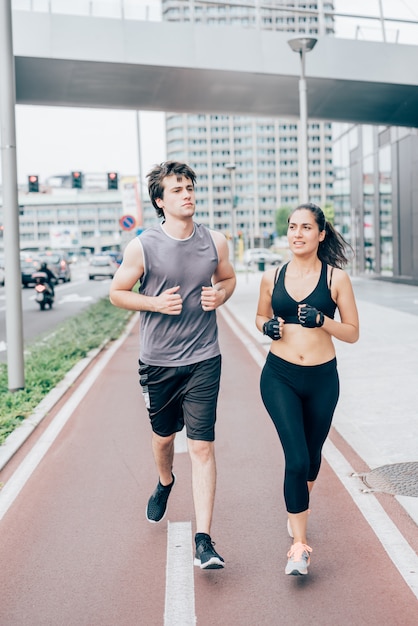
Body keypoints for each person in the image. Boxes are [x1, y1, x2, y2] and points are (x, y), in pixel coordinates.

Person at [109, 161, 236, 570]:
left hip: (204, 358)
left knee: (201, 446)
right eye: (178, 189)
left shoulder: (215, 241)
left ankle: (205, 540)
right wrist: (154, 303)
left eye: (190, 187)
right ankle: (165, 482)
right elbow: (117, 293)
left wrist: (222, 295)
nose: (187, 194)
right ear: (160, 201)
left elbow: (228, 279)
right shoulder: (142, 246)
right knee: (164, 439)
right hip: (159, 362)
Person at [256, 203, 359, 576]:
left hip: (322, 380)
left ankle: (298, 504)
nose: (297, 234)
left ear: (320, 234)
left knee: (313, 458)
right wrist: (267, 327)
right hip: (279, 376)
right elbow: (260, 315)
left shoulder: (336, 280)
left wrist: (323, 320)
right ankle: (299, 547)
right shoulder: (272, 276)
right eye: (292, 227)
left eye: (305, 228)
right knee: (297, 460)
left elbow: (352, 333)